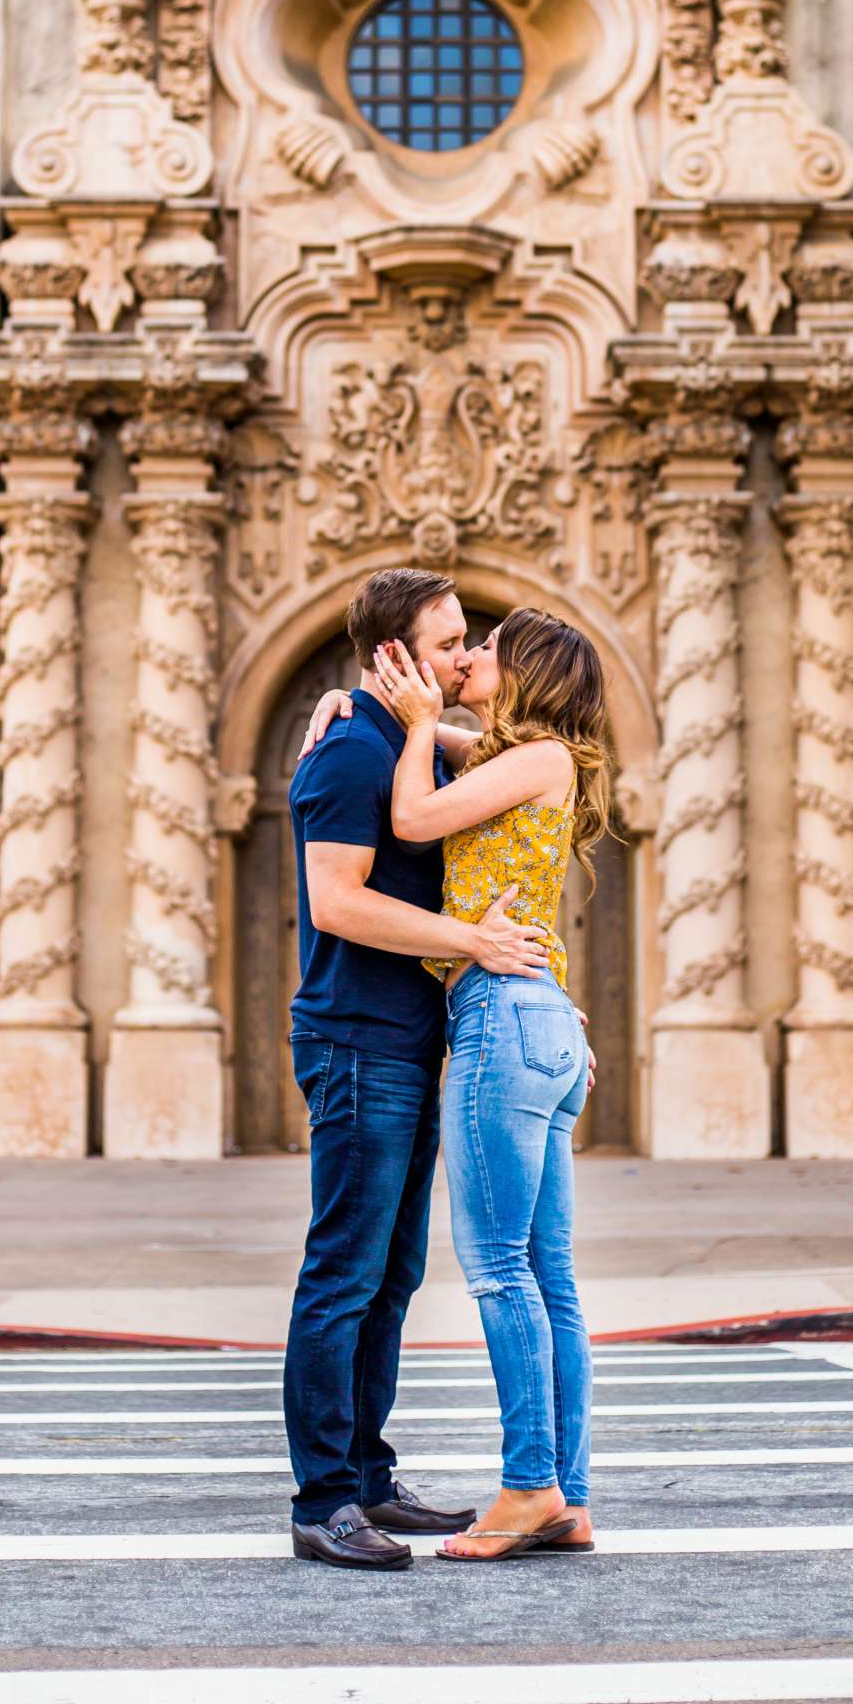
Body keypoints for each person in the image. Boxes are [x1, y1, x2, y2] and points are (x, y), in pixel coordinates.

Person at [283, 567, 555, 1571]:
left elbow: (519, 755)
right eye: (447, 643)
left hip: (407, 1038)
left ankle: (367, 1478)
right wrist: (469, 942)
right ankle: (322, 1501)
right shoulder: (351, 752)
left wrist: (400, 712)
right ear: (396, 653)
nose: (466, 655)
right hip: (355, 1037)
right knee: (343, 1272)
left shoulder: (390, 736)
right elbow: (338, 903)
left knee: (392, 1275)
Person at [371, 607, 611, 1562]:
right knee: (549, 1276)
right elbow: (404, 719)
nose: (467, 658)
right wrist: (359, 709)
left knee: (503, 1268)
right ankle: (567, 1496)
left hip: (501, 1018)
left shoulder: (541, 754)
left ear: (528, 673)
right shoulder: (521, 757)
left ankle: (527, 1486)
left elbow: (411, 818)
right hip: (536, 1015)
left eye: (485, 650)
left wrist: (422, 725)